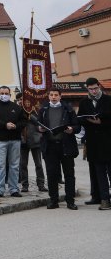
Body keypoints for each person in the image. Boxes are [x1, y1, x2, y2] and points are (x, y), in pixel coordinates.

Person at [37, 88, 80, 209]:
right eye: (51, 95)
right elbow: (39, 125)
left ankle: (70, 201)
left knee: (69, 174)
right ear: (48, 96)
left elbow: (77, 126)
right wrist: (40, 129)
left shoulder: (68, 109)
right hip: (50, 146)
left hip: (65, 145)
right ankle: (54, 200)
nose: (54, 97)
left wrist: (72, 129)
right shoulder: (43, 109)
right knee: (52, 174)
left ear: (60, 96)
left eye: (56, 95)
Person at [78, 77, 111, 210]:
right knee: (99, 173)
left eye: (95, 88)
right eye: (91, 89)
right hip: (93, 143)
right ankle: (104, 199)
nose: (93, 91)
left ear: (99, 86)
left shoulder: (108, 100)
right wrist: (90, 121)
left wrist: (101, 122)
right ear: (87, 88)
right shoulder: (84, 102)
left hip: (108, 141)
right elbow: (80, 119)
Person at [0, 86, 24, 198]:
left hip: (15, 139)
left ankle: (14, 188)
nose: (4, 95)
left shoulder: (17, 107)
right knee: (0, 165)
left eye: (6, 93)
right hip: (0, 140)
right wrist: (5, 125)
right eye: (2, 93)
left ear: (10, 95)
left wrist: (16, 126)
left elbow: (23, 121)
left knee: (14, 165)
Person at [16, 93, 46, 193]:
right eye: (19, 99)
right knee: (23, 164)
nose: (21, 101)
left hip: (35, 139)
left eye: (22, 99)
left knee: (38, 164)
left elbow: (38, 122)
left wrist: (29, 114)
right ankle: (25, 185)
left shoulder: (34, 110)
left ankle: (41, 184)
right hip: (22, 141)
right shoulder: (16, 110)